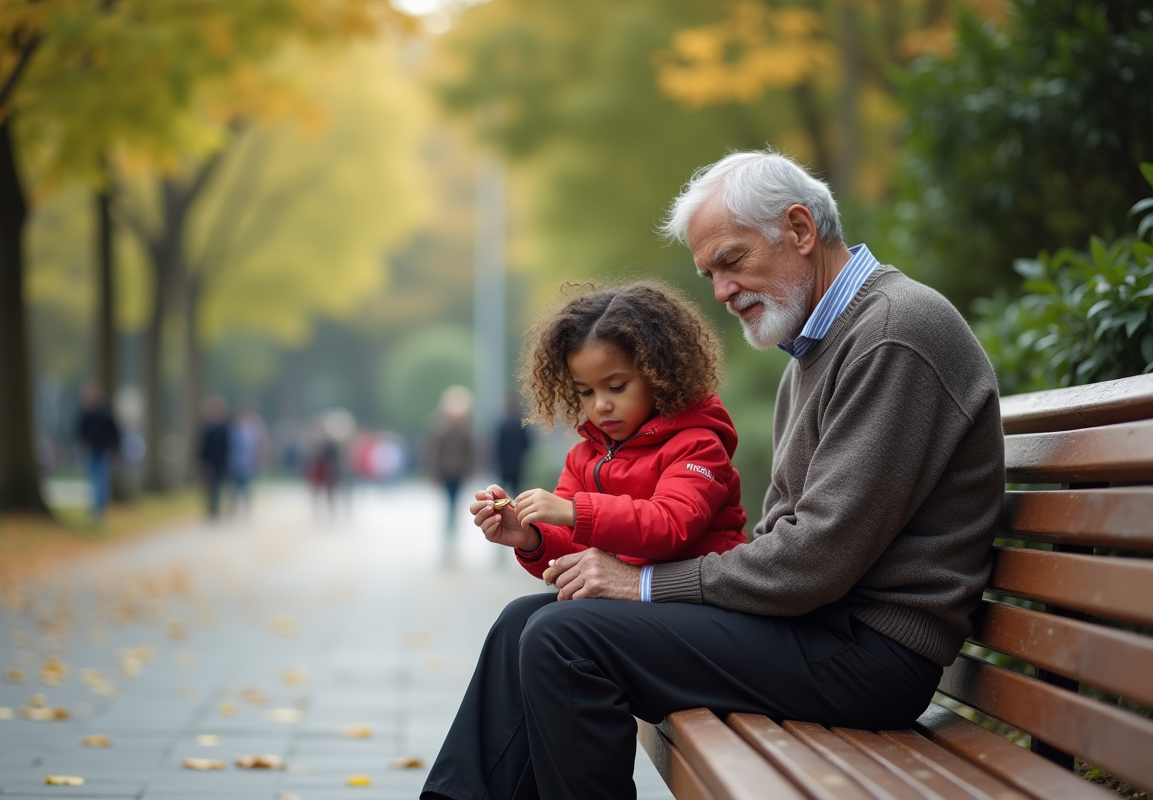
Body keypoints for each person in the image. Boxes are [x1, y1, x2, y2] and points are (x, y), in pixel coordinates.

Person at [420, 150, 1005, 800]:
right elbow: (791, 547)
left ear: (800, 230)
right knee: (521, 625)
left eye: (732, 261)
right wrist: (543, 544)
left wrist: (645, 584)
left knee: (565, 638)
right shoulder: (821, 345)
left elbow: (813, 560)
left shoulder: (893, 334)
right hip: (818, 626)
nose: (722, 291)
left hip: (868, 654)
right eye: (710, 274)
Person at [468, 281, 747, 583]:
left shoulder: (699, 445)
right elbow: (571, 552)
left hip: (693, 593)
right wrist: (530, 536)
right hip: (622, 595)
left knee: (554, 615)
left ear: (659, 375)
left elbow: (669, 526)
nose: (601, 405)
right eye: (586, 392)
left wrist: (574, 511)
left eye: (616, 387)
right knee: (519, 610)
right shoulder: (583, 458)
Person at [427, 385, 475, 560]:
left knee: (454, 507)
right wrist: (434, 474)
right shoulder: (442, 432)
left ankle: (452, 541)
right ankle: (448, 542)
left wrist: (470, 472)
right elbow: (435, 454)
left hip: (459, 474)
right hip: (446, 473)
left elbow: (470, 454)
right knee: (449, 507)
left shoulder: (465, 433)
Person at [75, 383, 120, 523]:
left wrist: (114, 450)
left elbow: (113, 432)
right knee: (95, 480)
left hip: (103, 450)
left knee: (100, 480)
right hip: (91, 450)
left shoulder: (104, 414)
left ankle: (99, 509)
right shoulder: (88, 413)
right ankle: (96, 508)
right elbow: (81, 431)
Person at [228, 405, 266, 515]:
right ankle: (234, 505)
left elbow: (260, 443)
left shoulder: (255, 425)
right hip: (234, 460)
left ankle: (246, 505)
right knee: (235, 485)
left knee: (247, 484)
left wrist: (261, 458)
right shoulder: (234, 425)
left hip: (249, 461)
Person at [197, 396, 230, 521]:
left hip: (220, 462)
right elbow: (202, 446)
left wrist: (226, 462)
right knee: (209, 486)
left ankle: (215, 508)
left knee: (218, 486)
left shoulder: (224, 427)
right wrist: (201, 461)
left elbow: (227, 447)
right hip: (208, 461)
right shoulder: (206, 427)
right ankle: (210, 508)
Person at [493, 396, 530, 500]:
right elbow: (527, 444)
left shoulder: (503, 426)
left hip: (505, 463)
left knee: (501, 490)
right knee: (516, 490)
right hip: (517, 462)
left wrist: (498, 461)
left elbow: (499, 446)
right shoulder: (521, 426)